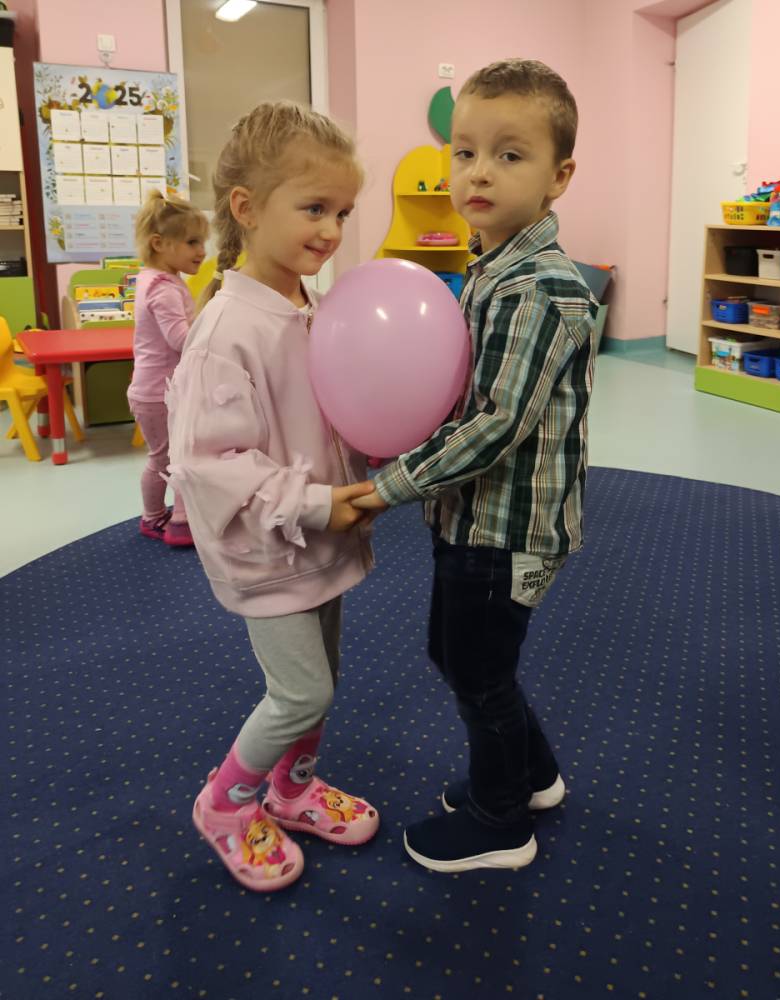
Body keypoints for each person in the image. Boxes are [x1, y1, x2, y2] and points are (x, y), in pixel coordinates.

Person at [352, 59, 599, 873]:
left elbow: (495, 425)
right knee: (460, 655)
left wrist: (386, 487)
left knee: (479, 671)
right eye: (464, 152)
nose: (478, 172)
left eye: (509, 154)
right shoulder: (489, 266)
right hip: (472, 516)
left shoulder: (539, 289)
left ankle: (500, 822)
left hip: (507, 528)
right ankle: (533, 776)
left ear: (558, 176)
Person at [166, 101, 379, 892]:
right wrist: (317, 502)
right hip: (269, 549)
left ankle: (291, 791)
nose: (331, 230)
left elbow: (321, 415)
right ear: (247, 208)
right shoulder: (227, 329)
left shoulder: (305, 309)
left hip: (318, 537)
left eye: (342, 213)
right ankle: (225, 805)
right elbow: (210, 464)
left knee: (322, 681)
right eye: (314, 207)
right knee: (300, 691)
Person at [127, 190, 207, 546]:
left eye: (202, 241)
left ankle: (166, 515)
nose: (202, 251)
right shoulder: (163, 289)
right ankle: (166, 520)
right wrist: (212, 331)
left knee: (169, 456)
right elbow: (180, 340)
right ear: (159, 243)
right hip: (159, 393)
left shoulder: (155, 279)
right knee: (171, 458)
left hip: (156, 389)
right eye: (192, 242)